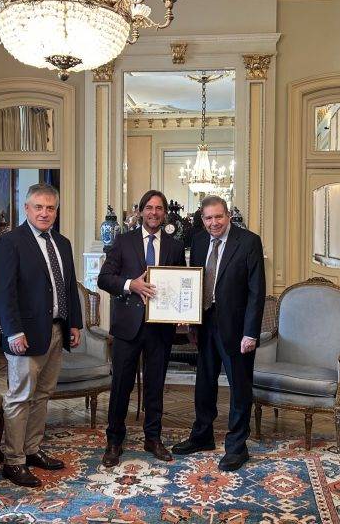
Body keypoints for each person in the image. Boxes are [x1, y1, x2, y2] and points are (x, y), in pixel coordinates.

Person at [0, 183, 82, 488]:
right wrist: (13, 330)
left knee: (42, 395)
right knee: (20, 397)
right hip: (25, 335)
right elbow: (4, 293)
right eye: (38, 207)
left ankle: (31, 450)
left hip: (56, 329)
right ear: (26, 208)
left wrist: (74, 323)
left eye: (50, 208)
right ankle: (13, 461)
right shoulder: (10, 242)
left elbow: (69, 286)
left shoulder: (63, 242)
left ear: (56, 211)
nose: (45, 213)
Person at [173, 195, 266, 471]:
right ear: (202, 219)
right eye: (208, 218)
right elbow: (195, 284)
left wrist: (251, 333)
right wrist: (191, 323)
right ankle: (202, 436)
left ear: (228, 216)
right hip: (205, 324)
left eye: (218, 217)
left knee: (239, 387)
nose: (214, 223)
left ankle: (237, 446)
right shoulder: (199, 241)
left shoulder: (248, 241)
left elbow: (256, 291)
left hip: (237, 330)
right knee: (204, 383)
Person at [97, 190, 186, 467]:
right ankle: (114, 440)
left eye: (159, 208)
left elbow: (183, 281)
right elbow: (104, 279)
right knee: (121, 385)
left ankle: (153, 438)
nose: (154, 213)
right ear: (140, 211)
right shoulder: (123, 242)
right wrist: (130, 285)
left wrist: (184, 310)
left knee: (155, 385)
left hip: (160, 328)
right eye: (149, 208)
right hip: (128, 327)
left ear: (164, 213)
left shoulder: (173, 245)